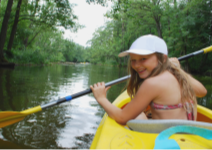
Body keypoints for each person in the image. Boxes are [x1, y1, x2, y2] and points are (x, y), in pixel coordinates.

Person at [90, 34, 207, 125]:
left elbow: (122, 118)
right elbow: (202, 92)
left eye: (143, 58)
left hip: (165, 138)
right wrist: (176, 68)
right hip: (186, 135)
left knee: (137, 115)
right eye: (133, 60)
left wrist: (101, 98)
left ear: (163, 58)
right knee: (141, 113)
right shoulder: (176, 76)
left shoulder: (152, 84)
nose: (136, 65)